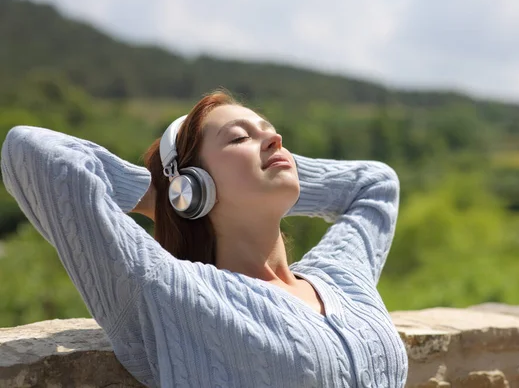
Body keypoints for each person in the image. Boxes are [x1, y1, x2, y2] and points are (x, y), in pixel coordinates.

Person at [0, 90, 408, 387]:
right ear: (194, 186)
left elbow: (375, 183)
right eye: (238, 137)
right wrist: (161, 195)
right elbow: (31, 150)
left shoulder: (341, 278)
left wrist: (273, 166)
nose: (275, 140)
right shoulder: (177, 295)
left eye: (271, 132)